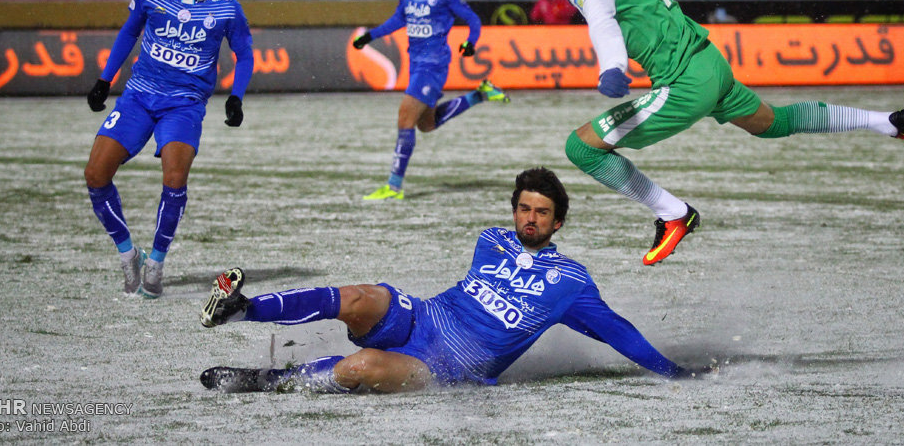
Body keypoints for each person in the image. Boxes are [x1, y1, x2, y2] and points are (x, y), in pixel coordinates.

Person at [520, 0, 904, 266]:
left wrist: (611, 69)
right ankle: (889, 122)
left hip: (683, 83)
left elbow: (604, 25)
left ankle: (674, 214)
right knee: (774, 122)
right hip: (710, 62)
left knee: (582, 147)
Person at [199, 167, 704, 393]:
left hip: (447, 367)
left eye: (542, 213)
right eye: (524, 208)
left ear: (558, 222)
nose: (530, 218)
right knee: (359, 296)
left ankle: (263, 381)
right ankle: (243, 308)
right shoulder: (491, 239)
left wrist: (673, 373)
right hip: (423, 316)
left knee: (363, 366)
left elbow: (614, 331)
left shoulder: (569, 281)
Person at [84, 0, 254, 298]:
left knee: (175, 179)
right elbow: (129, 32)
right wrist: (104, 79)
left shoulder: (226, 7)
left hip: (185, 104)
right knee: (96, 175)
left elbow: (246, 54)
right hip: (138, 99)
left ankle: (157, 264)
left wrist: (236, 98)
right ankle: (128, 253)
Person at [352, 0, 510, 200]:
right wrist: (371, 36)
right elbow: (398, 20)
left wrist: (471, 43)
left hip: (433, 65)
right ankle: (480, 94)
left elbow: (473, 20)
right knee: (426, 124)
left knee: (405, 118)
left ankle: (393, 187)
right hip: (415, 65)